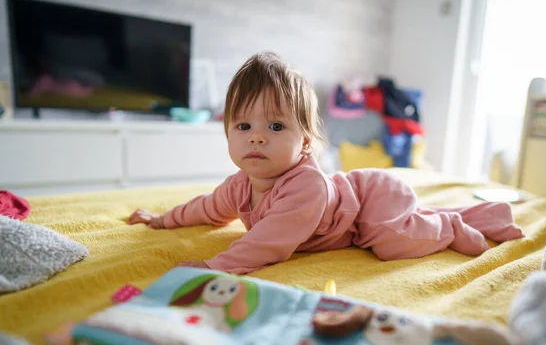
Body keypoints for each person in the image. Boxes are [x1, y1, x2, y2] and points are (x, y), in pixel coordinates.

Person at [128, 52, 524, 275]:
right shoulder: (240, 184)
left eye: (277, 125)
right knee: (400, 228)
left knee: (392, 243)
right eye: (244, 125)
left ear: (305, 142)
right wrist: (163, 219)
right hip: (354, 204)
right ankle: (458, 215)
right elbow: (208, 208)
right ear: (227, 132)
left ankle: (449, 224)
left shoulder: (305, 185)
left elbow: (268, 243)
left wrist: (213, 266)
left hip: (371, 201)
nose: (257, 136)